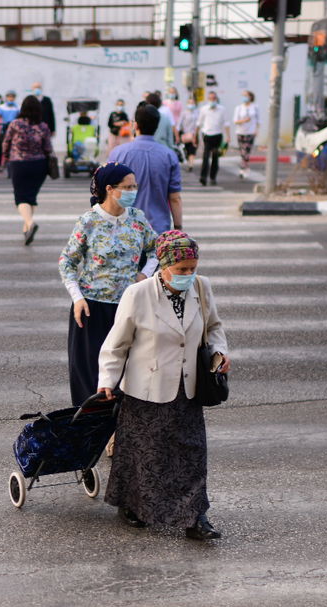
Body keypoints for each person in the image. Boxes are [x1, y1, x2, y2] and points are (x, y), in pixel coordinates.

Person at [97, 230, 230, 540]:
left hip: (188, 387)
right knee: (147, 454)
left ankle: (196, 517)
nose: (188, 274)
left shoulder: (201, 287)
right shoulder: (138, 294)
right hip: (147, 387)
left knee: (191, 453)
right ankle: (134, 506)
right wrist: (107, 381)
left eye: (192, 268)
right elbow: (117, 344)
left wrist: (220, 353)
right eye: (181, 269)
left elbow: (214, 327)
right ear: (164, 265)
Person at [58, 161, 159, 407]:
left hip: (129, 306)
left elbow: (156, 250)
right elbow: (67, 262)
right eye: (128, 187)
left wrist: (144, 275)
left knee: (128, 371)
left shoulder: (137, 218)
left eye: (135, 186)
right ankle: (92, 430)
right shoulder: (88, 221)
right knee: (91, 376)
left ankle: (120, 433)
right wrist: (77, 298)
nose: (133, 191)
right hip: (92, 308)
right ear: (110, 189)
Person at [108, 104, 184, 232]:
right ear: (156, 126)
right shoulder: (169, 155)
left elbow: (108, 193)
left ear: (135, 125)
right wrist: (178, 227)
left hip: (124, 229)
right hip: (158, 228)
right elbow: (175, 197)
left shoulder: (118, 154)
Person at [2, 92, 53, 245]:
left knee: (21, 197)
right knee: (31, 196)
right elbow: (48, 148)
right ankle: (26, 229)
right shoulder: (43, 126)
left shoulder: (15, 124)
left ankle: (30, 223)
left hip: (19, 163)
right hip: (39, 165)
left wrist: (5, 157)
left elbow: (6, 143)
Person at [197, 93, 227, 186]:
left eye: (214, 98)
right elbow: (199, 123)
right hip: (207, 134)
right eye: (210, 98)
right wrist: (195, 135)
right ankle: (203, 177)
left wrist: (228, 136)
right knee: (205, 157)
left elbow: (226, 123)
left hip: (217, 135)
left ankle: (213, 177)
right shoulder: (204, 109)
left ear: (216, 99)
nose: (212, 100)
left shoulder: (222, 109)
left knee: (215, 157)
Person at [231, 89, 261, 180]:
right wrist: (244, 120)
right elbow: (235, 121)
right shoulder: (239, 108)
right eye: (243, 96)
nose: (244, 98)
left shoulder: (255, 107)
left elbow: (258, 120)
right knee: (242, 150)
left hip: (250, 131)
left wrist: (257, 130)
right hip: (240, 131)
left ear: (251, 97)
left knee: (247, 150)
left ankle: (243, 167)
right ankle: (245, 166)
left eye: (246, 96)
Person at [0, 90, 19, 174]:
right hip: (5, 128)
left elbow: (20, 116)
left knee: (14, 147)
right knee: (0, 147)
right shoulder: (2, 107)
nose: (11, 98)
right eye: (9, 96)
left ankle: (12, 165)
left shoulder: (17, 107)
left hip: (13, 129)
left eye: (12, 97)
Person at [178, 97, 200, 172]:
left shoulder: (197, 112)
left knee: (193, 149)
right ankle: (189, 161)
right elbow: (179, 124)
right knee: (187, 149)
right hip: (186, 134)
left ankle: (191, 164)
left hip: (194, 134)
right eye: (190, 103)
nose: (191, 104)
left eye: (192, 103)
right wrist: (178, 134)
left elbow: (199, 123)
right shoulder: (184, 113)